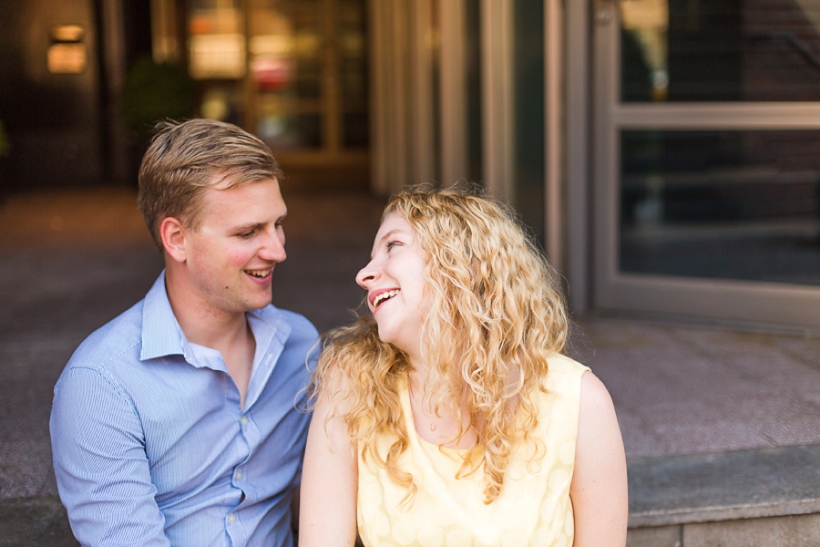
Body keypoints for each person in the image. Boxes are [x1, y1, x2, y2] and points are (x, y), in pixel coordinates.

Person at [300, 186, 628, 547]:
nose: (364, 274)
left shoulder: (577, 401)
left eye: (392, 246)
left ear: (461, 259)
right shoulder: (351, 385)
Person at [50, 119, 319, 547]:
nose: (277, 250)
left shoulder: (301, 347)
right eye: (248, 232)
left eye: (277, 224)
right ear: (177, 239)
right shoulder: (101, 383)